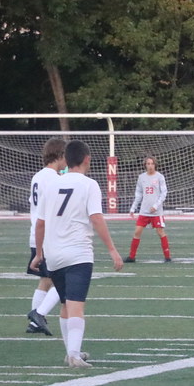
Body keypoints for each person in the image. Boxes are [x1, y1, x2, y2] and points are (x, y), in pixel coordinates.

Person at [31, 140, 123, 368]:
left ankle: (70, 352)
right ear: (87, 160)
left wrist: (39, 253)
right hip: (78, 253)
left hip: (53, 254)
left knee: (65, 303)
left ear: (67, 159)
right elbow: (96, 218)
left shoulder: (51, 184)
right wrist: (112, 249)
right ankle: (73, 355)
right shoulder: (89, 185)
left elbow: (40, 224)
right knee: (76, 305)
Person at [25, 138, 66, 336]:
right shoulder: (54, 179)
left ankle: (34, 323)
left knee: (45, 280)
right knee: (65, 279)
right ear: (59, 155)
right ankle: (39, 313)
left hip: (36, 234)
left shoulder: (38, 176)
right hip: (48, 236)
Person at [125, 155, 171, 262]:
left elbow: (164, 193)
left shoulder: (160, 177)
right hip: (144, 211)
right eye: (148, 164)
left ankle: (167, 257)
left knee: (160, 232)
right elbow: (139, 194)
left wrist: (156, 206)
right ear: (145, 165)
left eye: (152, 164)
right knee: (137, 232)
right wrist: (133, 208)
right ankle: (131, 257)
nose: (150, 166)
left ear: (155, 165)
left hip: (157, 212)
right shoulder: (141, 177)